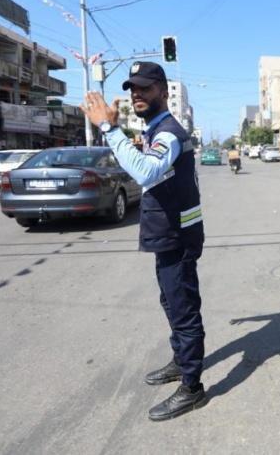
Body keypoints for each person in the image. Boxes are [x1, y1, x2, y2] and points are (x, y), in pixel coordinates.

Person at [80, 61, 207, 422]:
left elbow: (145, 171)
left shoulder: (167, 131)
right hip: (167, 234)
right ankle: (182, 362)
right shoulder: (154, 129)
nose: (137, 94)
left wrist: (108, 127)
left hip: (177, 237)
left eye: (145, 88)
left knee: (183, 311)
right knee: (170, 301)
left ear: (164, 92)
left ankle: (193, 388)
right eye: (133, 89)